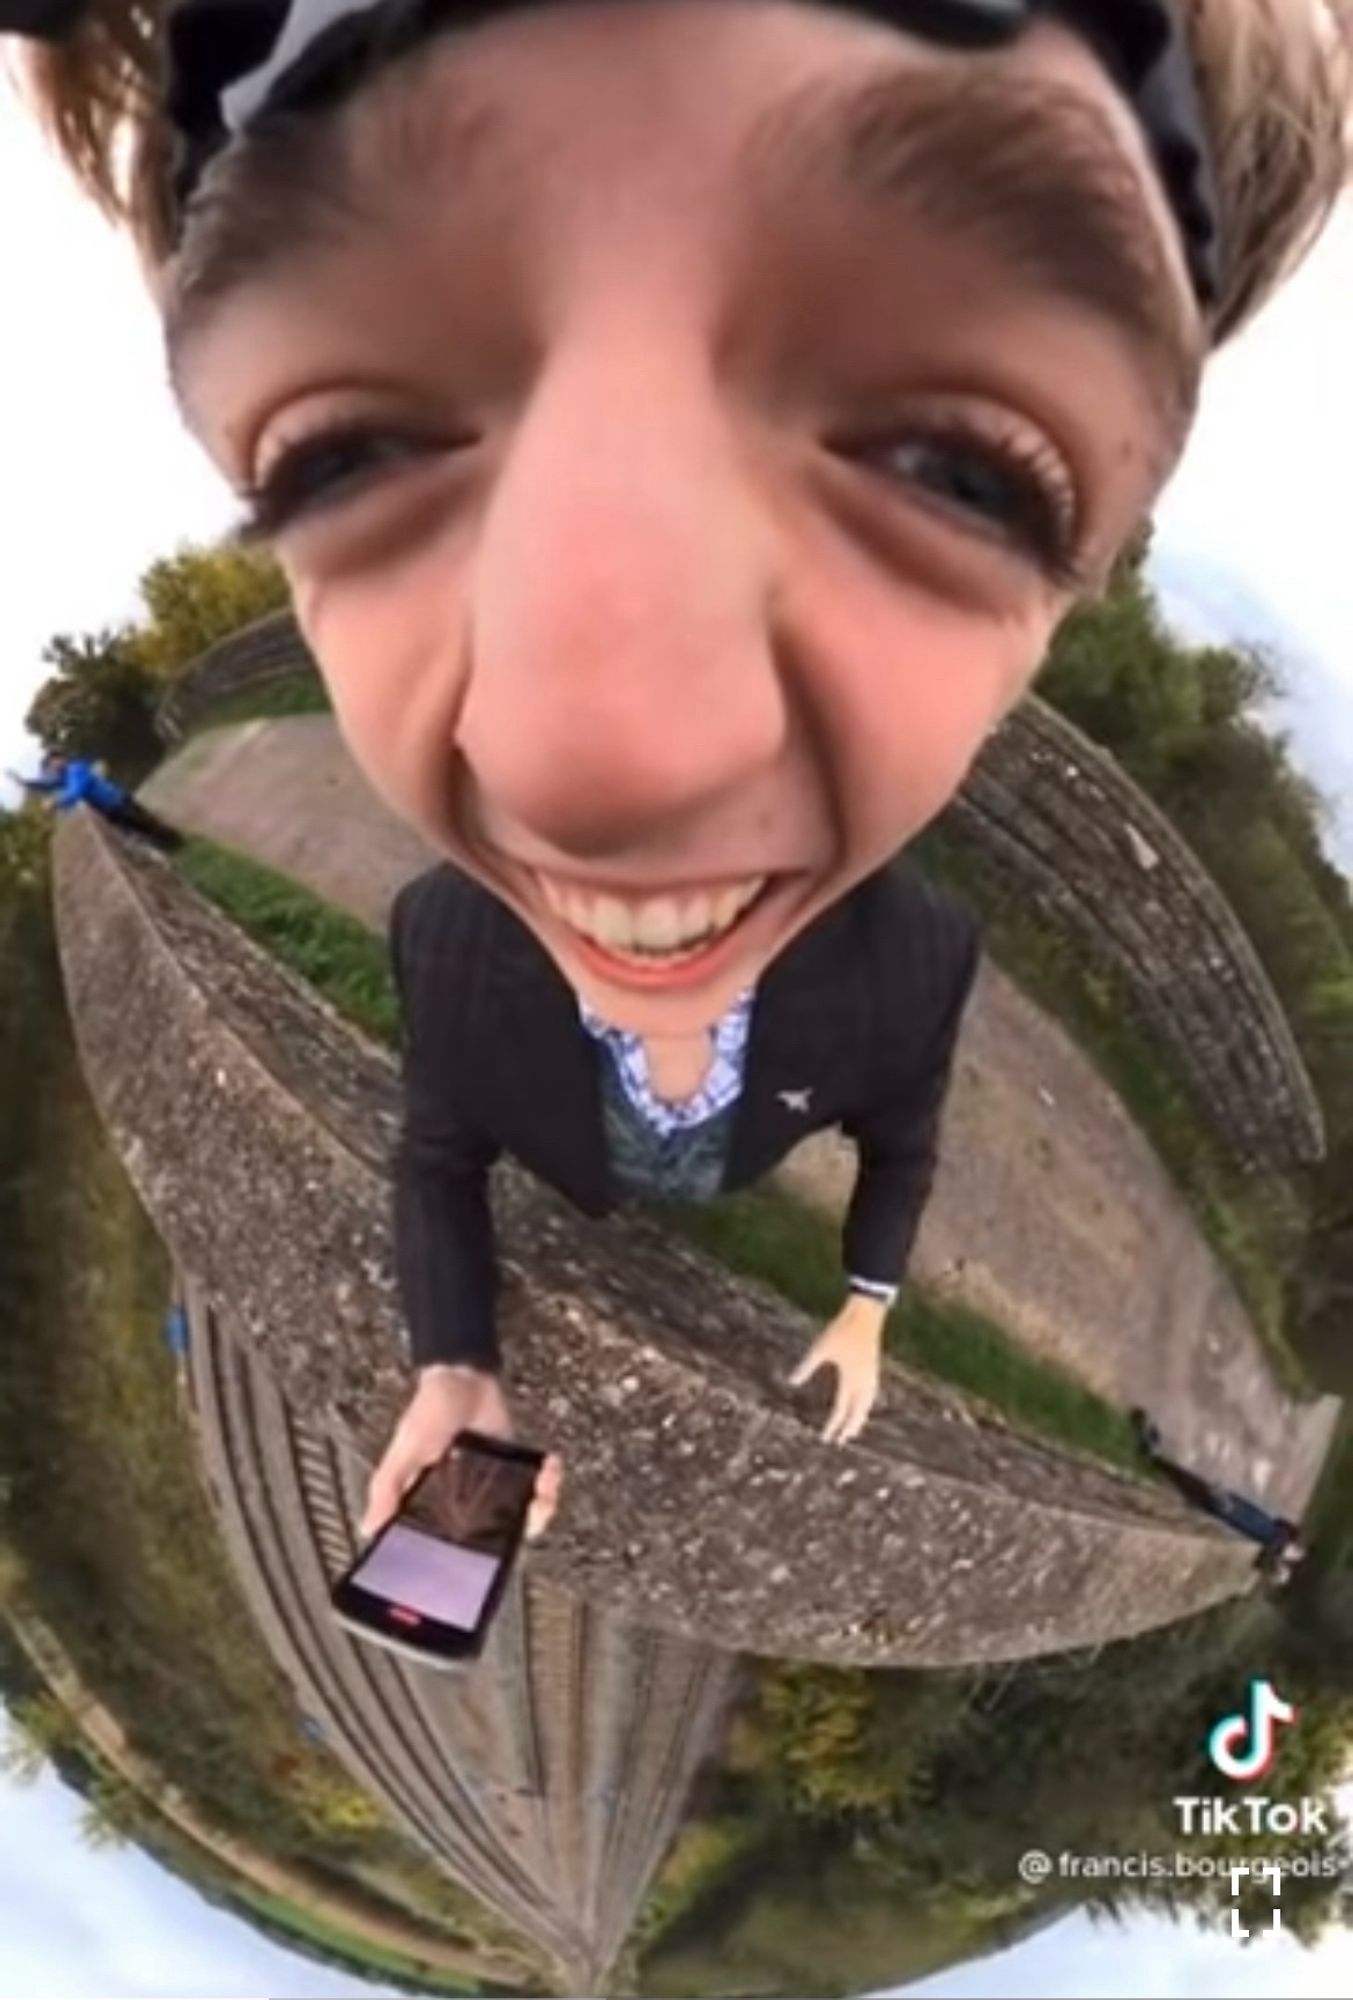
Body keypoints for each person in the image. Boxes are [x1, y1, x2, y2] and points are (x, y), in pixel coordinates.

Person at [9, 0, 1350, 1551]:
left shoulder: (919, 964)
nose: (598, 775)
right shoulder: (447, 943)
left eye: (948, 467)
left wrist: (862, 1308)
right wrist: (455, 1367)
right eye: (352, 452)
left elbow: (904, 1143)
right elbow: (440, 1152)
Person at [1130, 1410, 1309, 1585]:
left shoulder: (1274, 1540)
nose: (1294, 1549)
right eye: (1295, 1550)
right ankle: (1156, 1455)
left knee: (1191, 1484)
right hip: (1233, 1507)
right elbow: (1276, 1526)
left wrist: (1278, 1562)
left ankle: (1155, 1454)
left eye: (1295, 1551)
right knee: (1191, 1483)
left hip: (1230, 1510)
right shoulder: (1278, 1536)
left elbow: (1262, 1555)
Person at [11, 755, 186, 852]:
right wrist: (25, 783)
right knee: (137, 829)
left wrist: (57, 802)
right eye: (49, 767)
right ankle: (171, 845)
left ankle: (177, 841)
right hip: (110, 810)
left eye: (53, 762)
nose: (53, 767)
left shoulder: (76, 768)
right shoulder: (63, 778)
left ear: (61, 759)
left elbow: (79, 790)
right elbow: (47, 784)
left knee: (145, 823)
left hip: (116, 801)